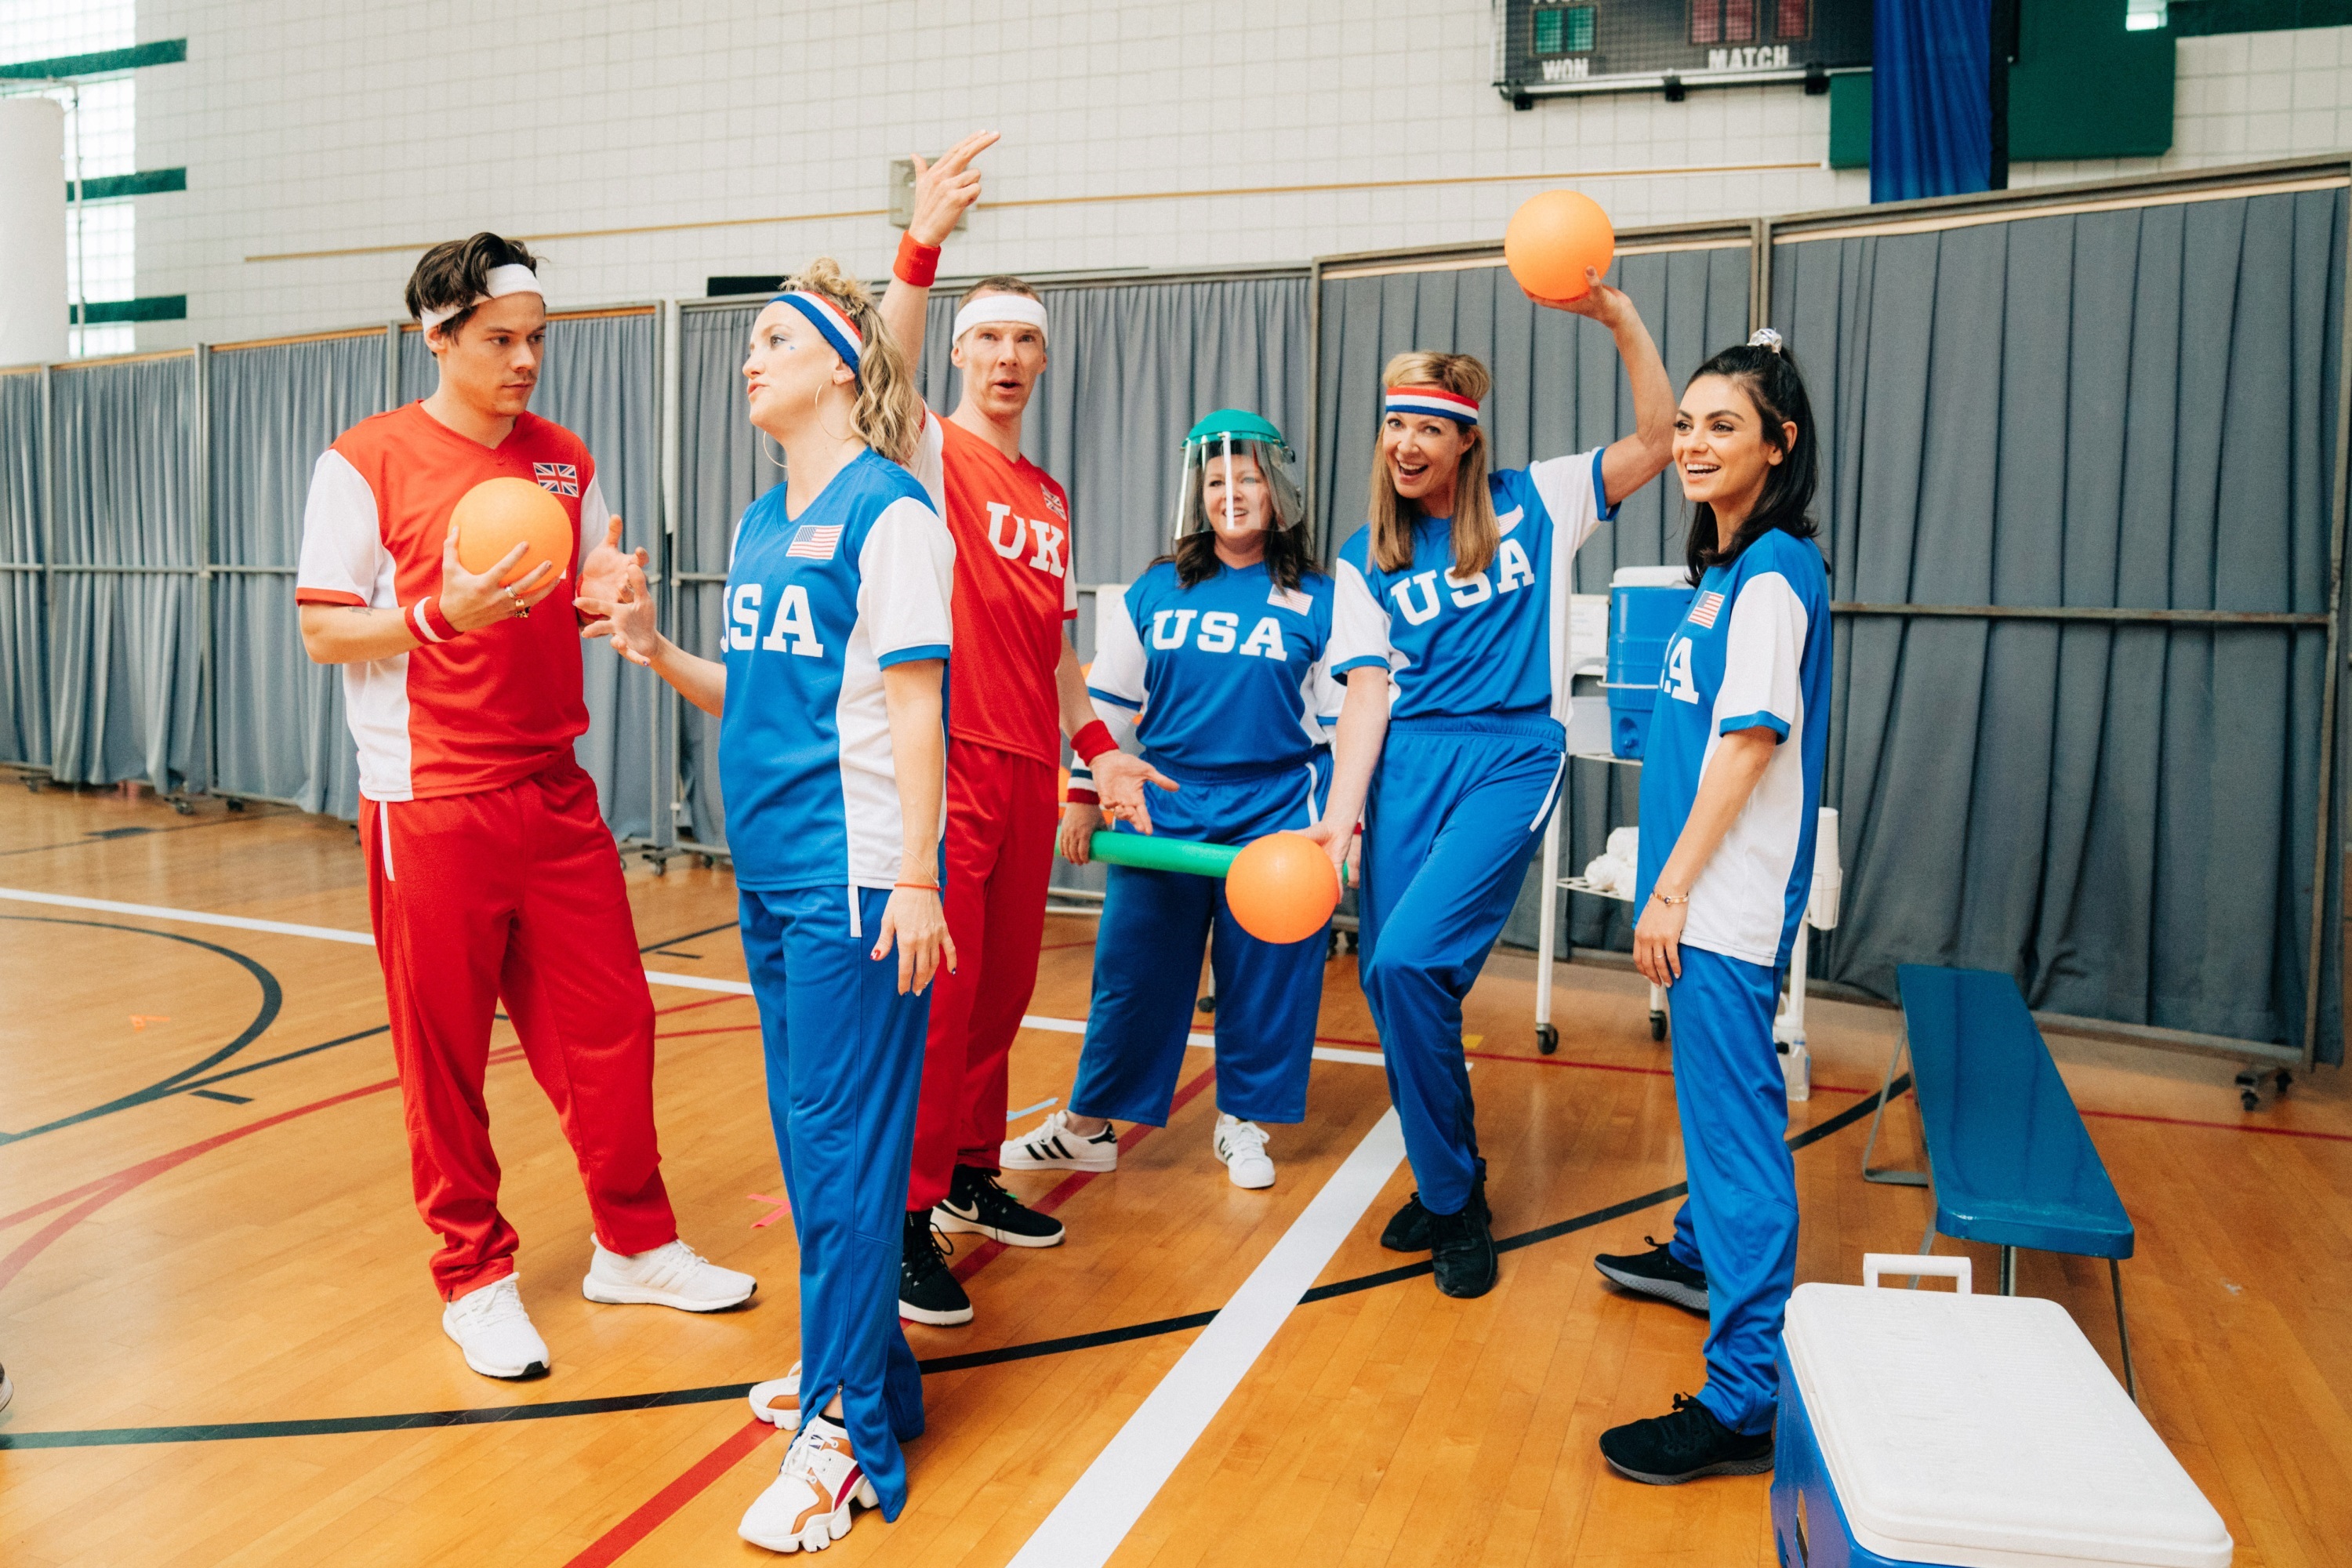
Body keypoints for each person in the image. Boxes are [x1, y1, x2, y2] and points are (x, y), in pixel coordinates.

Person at [296, 233, 753, 1383]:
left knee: (615, 1027)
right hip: (430, 796)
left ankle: (635, 1245)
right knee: (443, 1056)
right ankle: (474, 1278)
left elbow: (586, 568)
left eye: (537, 338)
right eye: (500, 339)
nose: (525, 360)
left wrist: (611, 591)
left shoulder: (562, 456)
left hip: (553, 789)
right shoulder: (365, 461)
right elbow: (322, 630)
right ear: (436, 337)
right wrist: (439, 616)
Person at [576, 259, 956, 1552]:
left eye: (775, 339)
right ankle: (868, 1375)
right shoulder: (753, 524)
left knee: (847, 1160)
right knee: (815, 1160)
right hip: (773, 870)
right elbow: (764, 696)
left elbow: (917, 708)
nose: (751, 359)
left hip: (858, 879)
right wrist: (651, 649)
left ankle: (845, 1441)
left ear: (840, 366)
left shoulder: (889, 514)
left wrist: (920, 876)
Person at [1304, 268, 1675, 1300]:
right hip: (1408, 762)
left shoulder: (1539, 500)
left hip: (1511, 753)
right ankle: (1443, 1170)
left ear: (1468, 436)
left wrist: (1620, 317)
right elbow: (1368, 696)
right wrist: (1340, 823)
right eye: (1393, 424)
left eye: (1429, 426)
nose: (1406, 443)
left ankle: (1457, 1204)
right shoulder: (1362, 557)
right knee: (1391, 977)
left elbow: (1655, 437)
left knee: (1413, 963)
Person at [874, 137, 1165, 1328]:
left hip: (1025, 766)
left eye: (1026, 340)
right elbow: (882, 376)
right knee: (938, 1011)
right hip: (944, 768)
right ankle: (899, 1220)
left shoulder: (1045, 491)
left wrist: (1100, 752)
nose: (1006, 356)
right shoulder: (930, 453)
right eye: (987, 337)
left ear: (1045, 358)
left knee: (994, 1004)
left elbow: (1052, 643)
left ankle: (966, 1181)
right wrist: (924, 239)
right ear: (958, 349)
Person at [1590, 330, 1829, 1486]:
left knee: (1739, 1147)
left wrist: (1674, 888)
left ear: (1780, 446)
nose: (1691, 442)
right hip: (1704, 903)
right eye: (1684, 423)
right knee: (1718, 1134)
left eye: (1721, 425)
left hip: (1725, 913)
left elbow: (1745, 747)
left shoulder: (1777, 569)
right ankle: (1699, 1261)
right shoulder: (1728, 572)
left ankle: (1746, 1397)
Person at [1005, 412, 1340, 1190]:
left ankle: (1242, 1119)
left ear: (1279, 487)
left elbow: (1337, 723)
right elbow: (1110, 707)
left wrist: (1336, 824)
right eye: (1217, 481)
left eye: (1249, 477)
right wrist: (1084, 798)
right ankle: (1090, 1123)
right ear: (1198, 494)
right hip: (1165, 802)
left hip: (1277, 803)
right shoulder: (1156, 588)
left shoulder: (1321, 596)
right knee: (1134, 966)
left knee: (1266, 970)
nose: (1233, 494)